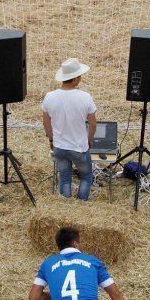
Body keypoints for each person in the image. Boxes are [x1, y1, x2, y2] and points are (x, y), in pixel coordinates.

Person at [42, 58, 96, 201]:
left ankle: (66, 205)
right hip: (79, 147)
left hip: (59, 146)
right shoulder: (85, 97)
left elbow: (45, 122)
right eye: (79, 76)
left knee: (65, 177)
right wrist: (89, 139)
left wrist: (51, 139)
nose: (80, 78)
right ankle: (81, 202)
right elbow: (93, 124)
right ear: (75, 79)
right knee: (86, 176)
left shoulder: (49, 97)